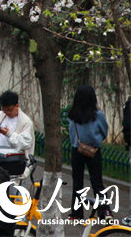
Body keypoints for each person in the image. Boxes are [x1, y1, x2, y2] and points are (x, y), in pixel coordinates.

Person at [67, 84, 109, 218]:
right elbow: (104, 132)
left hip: (77, 150)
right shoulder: (98, 115)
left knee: (77, 183)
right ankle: (104, 212)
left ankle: (77, 213)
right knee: (97, 182)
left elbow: (71, 134)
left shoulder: (72, 115)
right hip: (94, 151)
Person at [0, 90, 34, 171]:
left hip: (14, 161)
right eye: (4, 109)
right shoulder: (2, 115)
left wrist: (8, 133)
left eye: (10, 110)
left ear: (17, 106)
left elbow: (25, 143)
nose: (7, 112)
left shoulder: (26, 122)